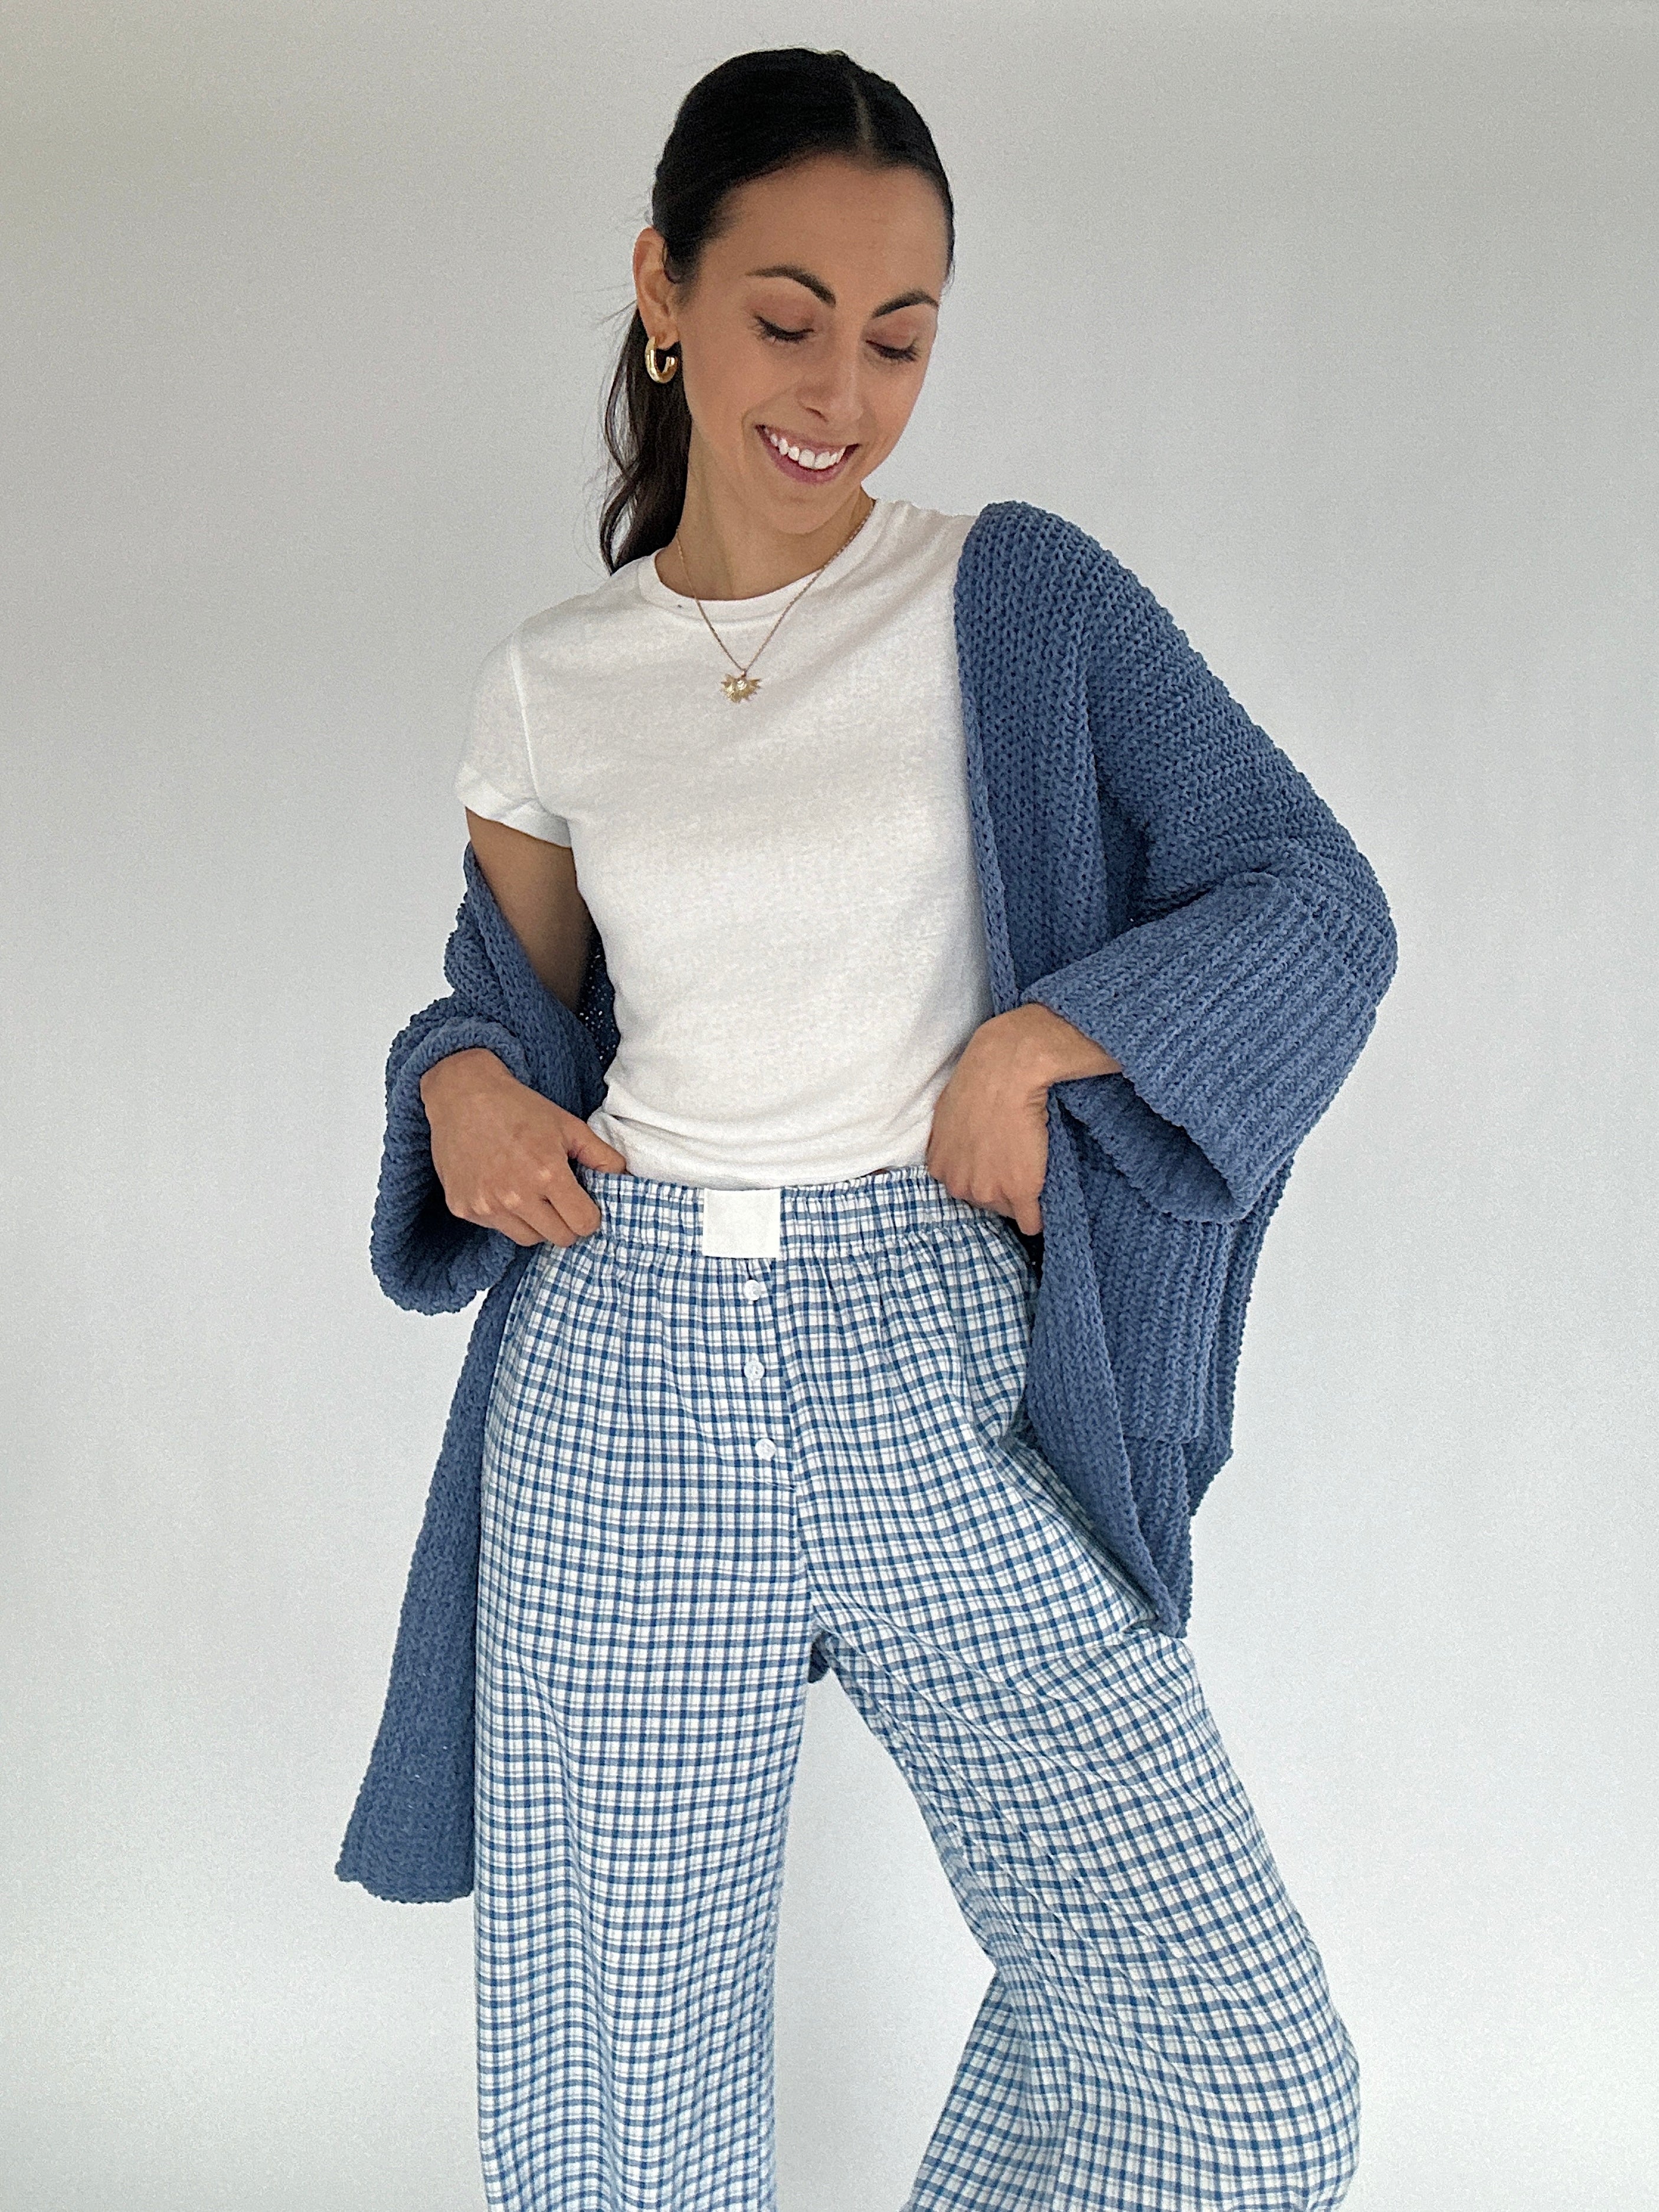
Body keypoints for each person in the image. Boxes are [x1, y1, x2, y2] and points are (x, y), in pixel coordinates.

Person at [345, 45, 1397, 2212]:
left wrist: (1047, 1043)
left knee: (1240, 2090)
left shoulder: (1013, 598)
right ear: (665, 290)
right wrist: (448, 1084)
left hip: (940, 1361)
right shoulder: (554, 681)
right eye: (788, 316)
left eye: (900, 338)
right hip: (623, 1380)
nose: (841, 388)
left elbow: (1312, 898)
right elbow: (508, 1012)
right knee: (620, 2144)